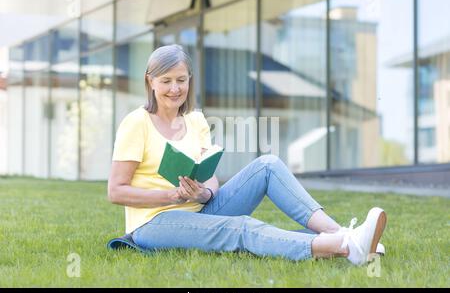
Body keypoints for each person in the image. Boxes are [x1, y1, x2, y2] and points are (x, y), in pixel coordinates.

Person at [107, 44, 387, 266]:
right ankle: (347, 247)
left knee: (268, 164)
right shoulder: (137, 122)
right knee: (240, 228)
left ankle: (340, 233)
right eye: (166, 81)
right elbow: (116, 191)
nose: (175, 88)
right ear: (150, 82)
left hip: (200, 209)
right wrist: (172, 196)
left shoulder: (196, 120)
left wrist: (203, 194)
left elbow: (211, 178)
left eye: (181, 80)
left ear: (190, 80)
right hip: (154, 223)